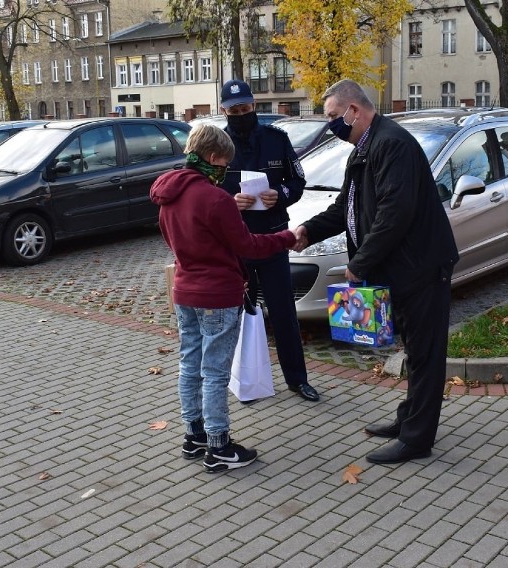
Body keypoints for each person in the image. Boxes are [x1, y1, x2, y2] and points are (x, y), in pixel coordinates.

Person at [292, 79, 459, 465]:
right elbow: (345, 209)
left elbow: (393, 215)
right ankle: (409, 420)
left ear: (355, 110)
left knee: (426, 354)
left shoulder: (391, 145)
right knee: (414, 351)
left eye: (334, 116)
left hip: (422, 267)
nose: (331, 124)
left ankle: (418, 439)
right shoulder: (362, 149)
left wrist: (358, 264)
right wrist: (308, 230)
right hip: (402, 269)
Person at [150, 124, 297, 473]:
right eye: (225, 164)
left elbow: (171, 240)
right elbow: (247, 245)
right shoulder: (216, 199)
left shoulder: (168, 194)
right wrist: (286, 238)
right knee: (215, 372)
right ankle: (218, 447)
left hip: (185, 291)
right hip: (217, 293)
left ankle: (194, 434)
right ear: (214, 157)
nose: (225, 171)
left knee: (190, 364)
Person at [218, 79, 319, 403]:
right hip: (237, 243)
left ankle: (297, 380)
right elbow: (205, 188)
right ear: (224, 111)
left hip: (273, 238)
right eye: (234, 110)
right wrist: (230, 201)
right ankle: (243, 379)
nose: (241, 114)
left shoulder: (276, 139)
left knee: (283, 313)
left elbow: (298, 179)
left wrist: (282, 195)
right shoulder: (217, 145)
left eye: (245, 108)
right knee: (236, 314)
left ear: (254, 106)